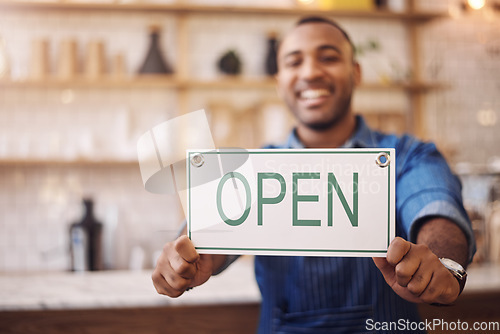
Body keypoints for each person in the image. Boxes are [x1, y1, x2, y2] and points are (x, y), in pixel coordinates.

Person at [152, 16, 476, 333]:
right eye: (294, 62)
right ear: (279, 83)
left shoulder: (410, 156)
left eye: (329, 58)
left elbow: (435, 205)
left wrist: (442, 263)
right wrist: (190, 259)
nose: (310, 72)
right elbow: (215, 232)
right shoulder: (252, 167)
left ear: (356, 72)